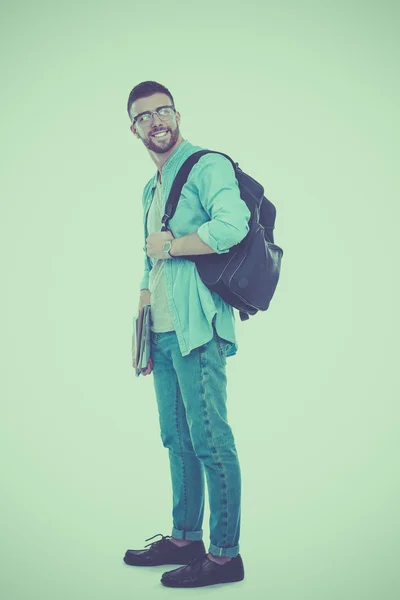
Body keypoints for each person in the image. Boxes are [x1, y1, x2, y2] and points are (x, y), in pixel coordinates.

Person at [123, 81, 251, 588]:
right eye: (144, 116)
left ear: (177, 114)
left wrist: (172, 245)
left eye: (163, 111)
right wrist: (142, 324)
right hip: (162, 331)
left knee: (211, 441)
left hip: (198, 328)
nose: (156, 121)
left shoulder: (206, 166)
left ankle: (225, 556)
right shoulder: (151, 189)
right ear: (133, 129)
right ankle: (184, 537)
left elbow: (233, 224)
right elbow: (147, 258)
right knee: (176, 437)